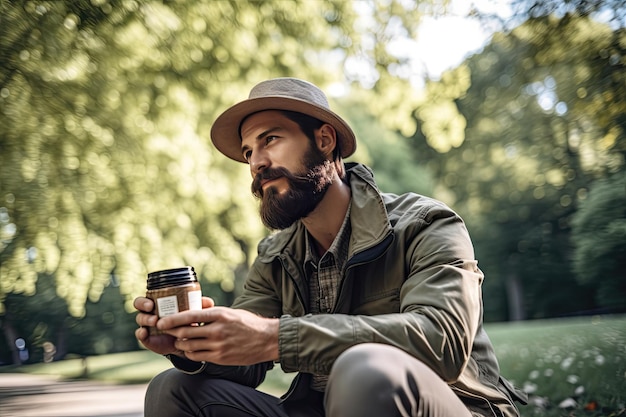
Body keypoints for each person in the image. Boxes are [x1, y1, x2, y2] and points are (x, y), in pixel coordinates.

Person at [134, 77, 527, 417]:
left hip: (443, 405)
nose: (256, 163)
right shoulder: (274, 256)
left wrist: (277, 337)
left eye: (270, 139)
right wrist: (191, 345)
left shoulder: (425, 224)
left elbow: (442, 342)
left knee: (365, 369)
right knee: (172, 389)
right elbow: (246, 361)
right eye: (249, 152)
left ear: (324, 140)